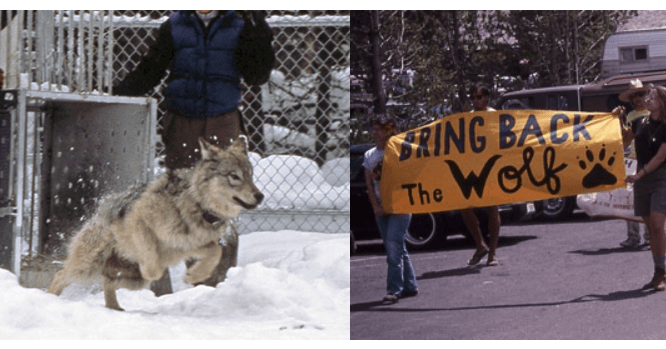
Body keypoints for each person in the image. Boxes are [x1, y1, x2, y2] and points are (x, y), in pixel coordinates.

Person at [113, 10, 275, 289]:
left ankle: (213, 282)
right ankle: (160, 278)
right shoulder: (175, 25)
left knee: (223, 200)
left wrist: (259, 27)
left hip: (222, 120)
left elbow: (257, 75)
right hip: (182, 120)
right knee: (178, 197)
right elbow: (151, 67)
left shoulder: (239, 24)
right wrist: (118, 93)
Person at [363, 114, 418, 304]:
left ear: (389, 130)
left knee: (392, 247)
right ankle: (410, 285)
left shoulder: (399, 151)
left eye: (379, 129)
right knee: (397, 247)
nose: (375, 133)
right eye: (374, 129)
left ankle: (394, 289)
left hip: (400, 206)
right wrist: (377, 206)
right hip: (381, 208)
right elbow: (369, 184)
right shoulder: (370, 155)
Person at [622, 84, 666, 291]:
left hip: (660, 178)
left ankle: (661, 273)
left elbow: (660, 157)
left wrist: (639, 174)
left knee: (657, 225)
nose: (647, 98)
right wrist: (618, 120)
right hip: (641, 179)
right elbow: (623, 142)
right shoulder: (639, 122)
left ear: (661, 102)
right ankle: (658, 269)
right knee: (651, 228)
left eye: (651, 96)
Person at [461, 84, 500, 267]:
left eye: (478, 97)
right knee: (464, 206)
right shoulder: (468, 118)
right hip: (472, 168)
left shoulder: (494, 116)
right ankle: (480, 245)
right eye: (473, 97)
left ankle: (492, 254)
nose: (475, 101)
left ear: (486, 98)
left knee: (493, 209)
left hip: (491, 167)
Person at [618, 79, 651, 248]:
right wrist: (620, 119)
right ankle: (633, 236)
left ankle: (649, 236)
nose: (637, 98)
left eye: (640, 94)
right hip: (633, 160)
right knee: (629, 200)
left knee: (649, 200)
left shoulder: (654, 113)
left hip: (651, 161)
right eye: (634, 96)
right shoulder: (630, 116)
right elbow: (626, 139)